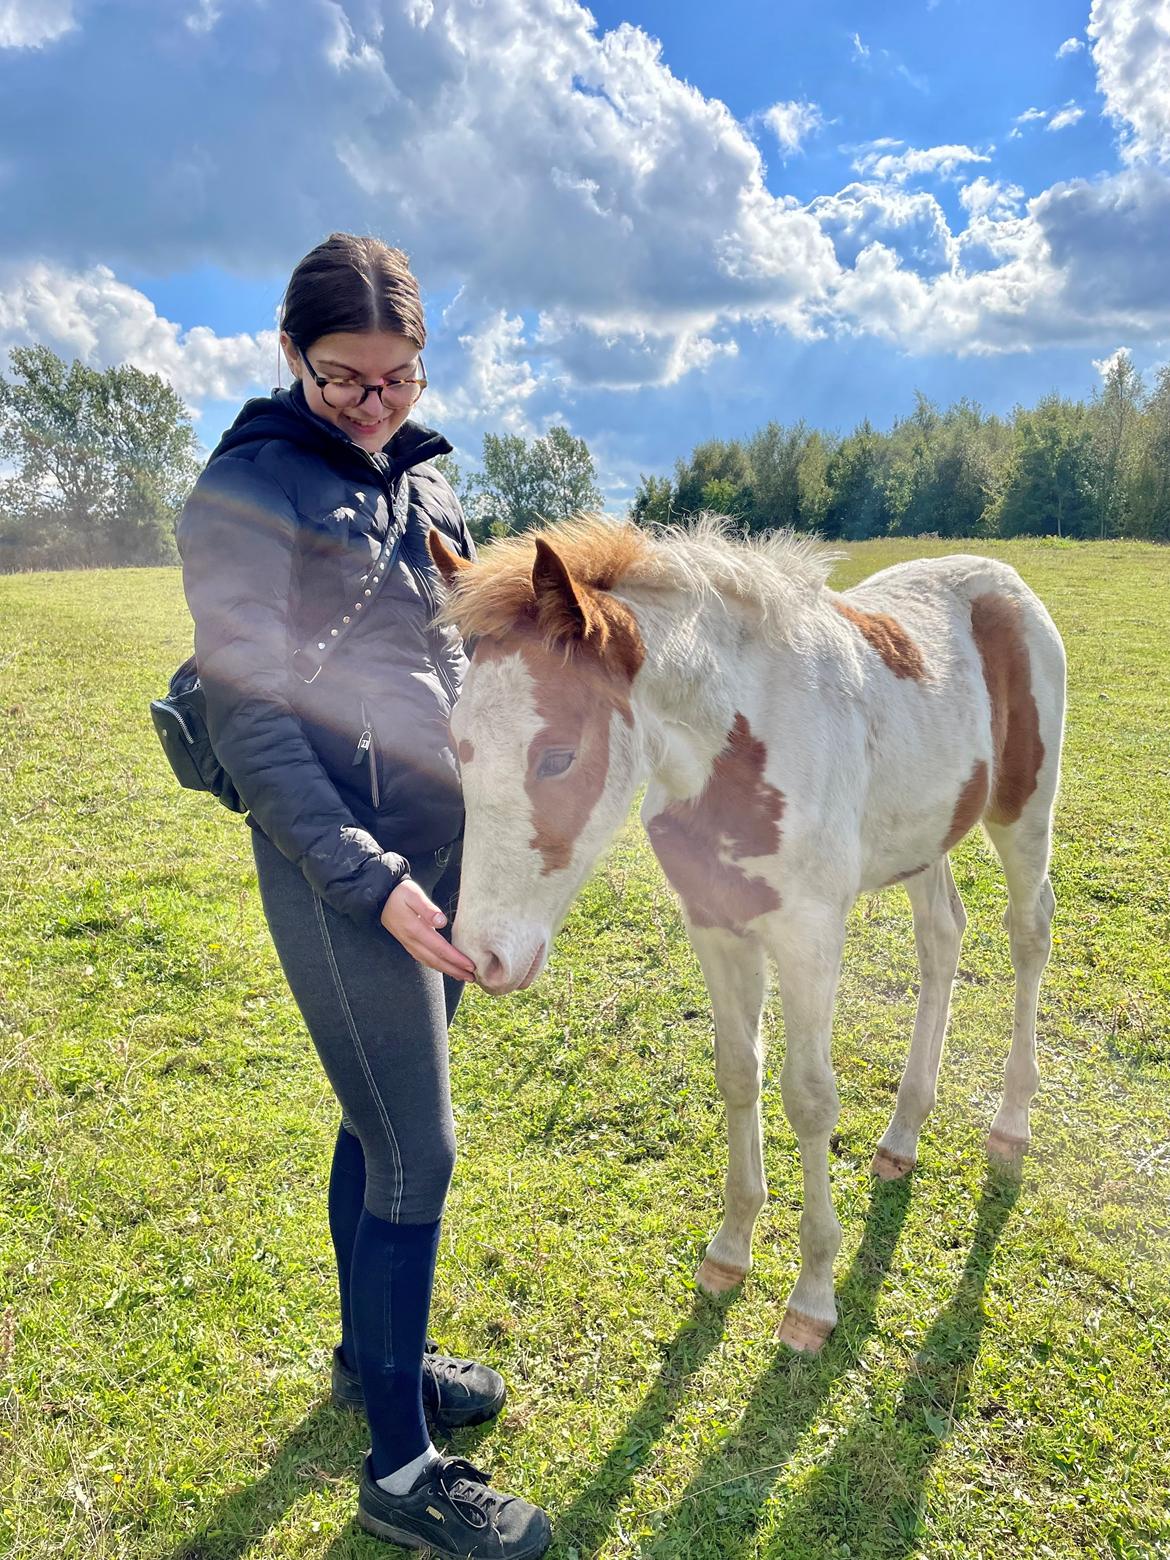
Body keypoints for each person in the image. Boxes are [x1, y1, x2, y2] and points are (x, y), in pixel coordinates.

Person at [176, 232, 552, 1558]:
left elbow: (453, 650)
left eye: (396, 379)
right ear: (290, 356)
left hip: (446, 853)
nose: (375, 406)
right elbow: (252, 720)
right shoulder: (246, 492)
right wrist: (368, 878)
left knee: (380, 1114)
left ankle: (367, 1354)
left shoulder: (427, 473)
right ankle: (399, 1475)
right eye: (345, 381)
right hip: (340, 864)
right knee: (420, 1146)